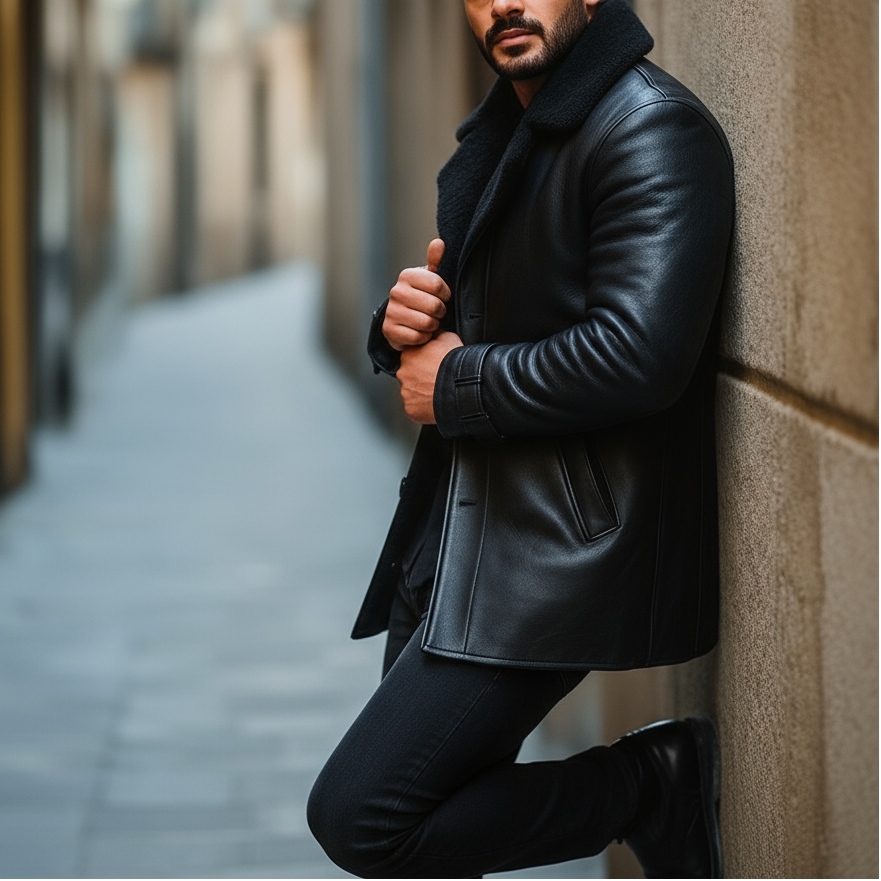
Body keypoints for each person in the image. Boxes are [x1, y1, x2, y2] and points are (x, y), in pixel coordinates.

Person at [308, 0, 734, 877]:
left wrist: (454, 383)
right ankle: (645, 786)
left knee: (365, 815)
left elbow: (635, 355)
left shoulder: (650, 130)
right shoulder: (517, 131)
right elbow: (500, 317)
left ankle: (648, 785)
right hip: (465, 532)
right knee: (432, 820)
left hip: (556, 554)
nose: (502, 3)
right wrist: (401, 330)